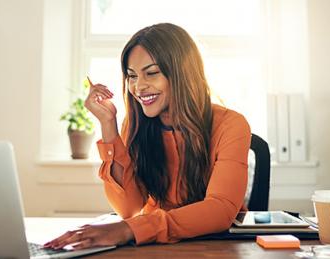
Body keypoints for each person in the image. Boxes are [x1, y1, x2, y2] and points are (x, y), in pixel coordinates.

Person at [44, 23, 251, 250]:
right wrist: (108, 125)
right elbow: (129, 208)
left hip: (214, 248)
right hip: (154, 246)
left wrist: (130, 229)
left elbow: (220, 209)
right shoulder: (135, 124)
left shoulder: (231, 124)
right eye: (131, 76)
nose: (138, 87)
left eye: (151, 73)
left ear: (183, 73)